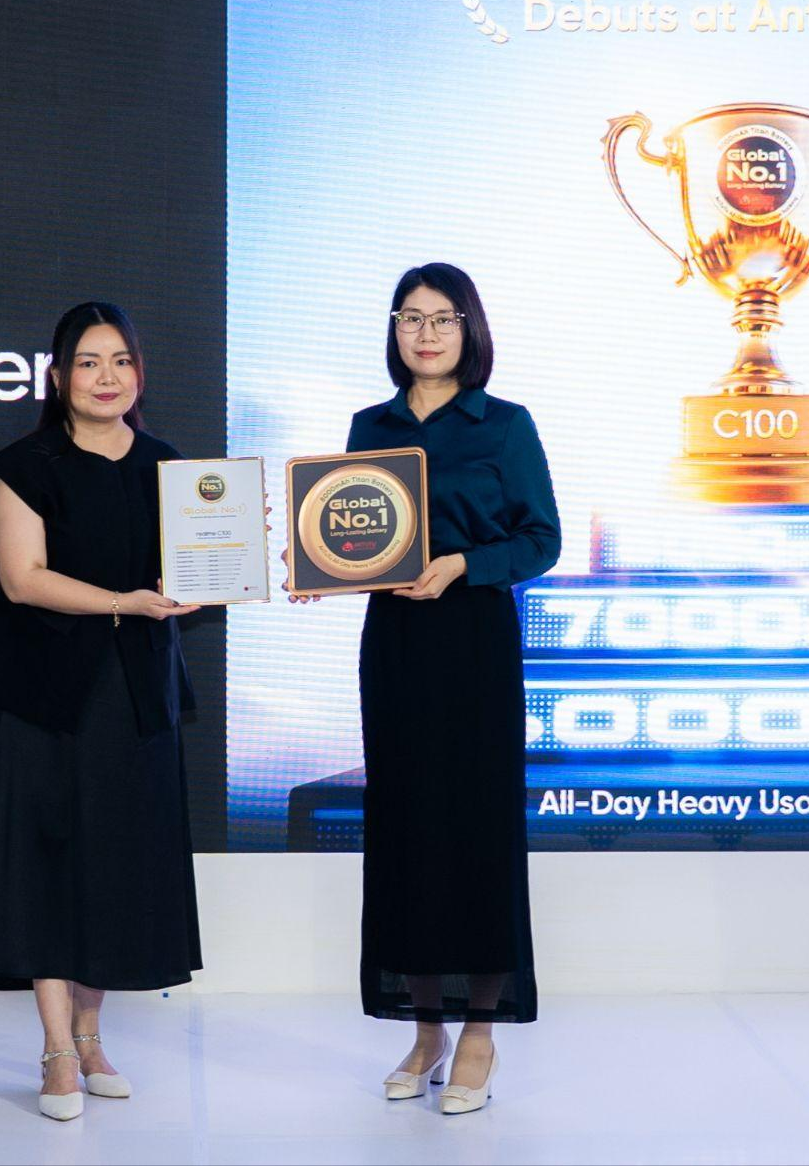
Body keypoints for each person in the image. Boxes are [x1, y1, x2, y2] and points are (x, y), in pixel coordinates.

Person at [290, 262, 559, 1115]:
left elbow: (541, 539)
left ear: (469, 328)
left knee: (475, 829)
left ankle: (480, 1030)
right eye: (410, 317)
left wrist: (464, 565)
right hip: (397, 647)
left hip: (474, 641)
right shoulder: (370, 425)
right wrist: (314, 565)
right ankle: (425, 1028)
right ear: (394, 329)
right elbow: (353, 534)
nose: (427, 332)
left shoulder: (505, 424)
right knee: (406, 830)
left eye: (443, 318)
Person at [0, 301, 204, 1122]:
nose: (108, 377)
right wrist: (125, 601)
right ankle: (56, 1048)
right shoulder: (22, 466)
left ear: (140, 372)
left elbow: (196, 569)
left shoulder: (170, 468)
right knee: (49, 865)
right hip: (46, 694)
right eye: (90, 362)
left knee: (114, 866)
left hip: (138, 694)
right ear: (59, 375)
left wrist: (238, 558)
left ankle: (93, 1036)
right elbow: (22, 578)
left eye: (121, 361)